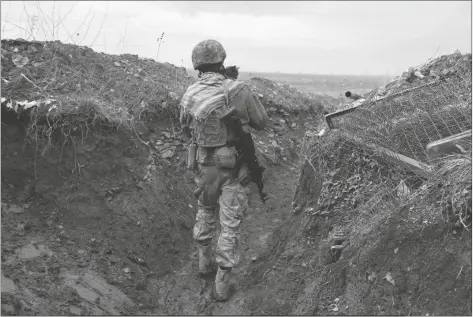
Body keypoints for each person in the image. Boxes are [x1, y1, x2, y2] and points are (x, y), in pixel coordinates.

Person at [179, 39, 269, 301]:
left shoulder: (190, 94)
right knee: (229, 225)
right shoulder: (238, 89)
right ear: (222, 61)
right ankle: (221, 285)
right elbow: (262, 122)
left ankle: (203, 263)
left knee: (206, 210)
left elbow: (185, 129)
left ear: (197, 65)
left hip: (204, 166)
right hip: (234, 167)